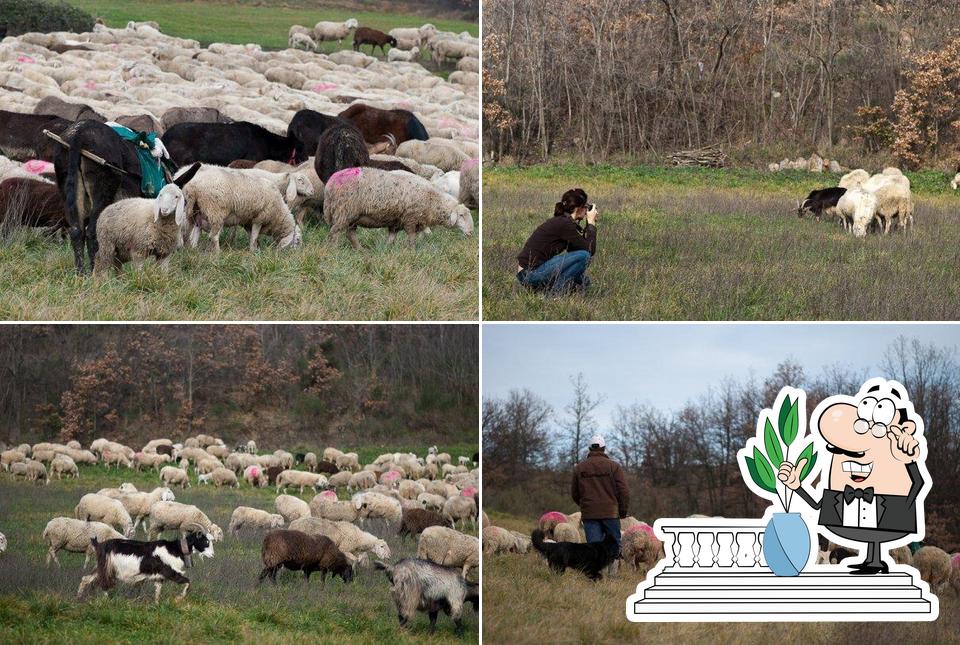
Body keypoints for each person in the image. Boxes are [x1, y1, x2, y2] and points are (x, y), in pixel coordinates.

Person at [778, 380, 927, 575]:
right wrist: (796, 485)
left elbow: (919, 482)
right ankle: (871, 560)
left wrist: (908, 468)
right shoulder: (840, 495)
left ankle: (874, 560)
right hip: (854, 511)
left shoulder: (898, 459)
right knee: (870, 532)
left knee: (877, 530)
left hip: (889, 509)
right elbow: (816, 506)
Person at [516, 188, 598, 293]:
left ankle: (545, 290)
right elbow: (590, 250)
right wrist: (591, 223)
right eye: (586, 207)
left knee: (583, 281)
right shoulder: (564, 224)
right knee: (584, 256)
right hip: (530, 274)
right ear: (578, 208)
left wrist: (588, 225)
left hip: (530, 273)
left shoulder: (563, 222)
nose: (587, 210)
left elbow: (577, 249)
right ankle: (555, 294)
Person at [571, 434, 630, 575]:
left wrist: (585, 506)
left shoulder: (579, 468)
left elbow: (575, 493)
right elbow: (624, 492)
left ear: (590, 448)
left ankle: (597, 576)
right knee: (614, 545)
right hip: (611, 513)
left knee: (593, 547)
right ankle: (613, 576)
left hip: (590, 514)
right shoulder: (614, 466)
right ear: (604, 448)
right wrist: (622, 511)